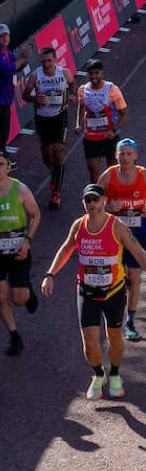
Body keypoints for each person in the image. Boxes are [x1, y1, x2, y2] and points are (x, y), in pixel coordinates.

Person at [41, 182, 146, 399]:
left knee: (113, 337)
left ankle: (114, 373)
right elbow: (66, 249)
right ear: (83, 203)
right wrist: (50, 274)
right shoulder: (78, 226)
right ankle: (98, 374)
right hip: (86, 292)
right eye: (88, 200)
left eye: (96, 199)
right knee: (89, 340)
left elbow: (138, 251)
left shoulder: (117, 226)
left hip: (113, 292)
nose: (92, 204)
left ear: (104, 201)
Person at [99, 139, 146, 344]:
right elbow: (92, 201)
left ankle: (131, 320)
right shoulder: (108, 175)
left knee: (134, 275)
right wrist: (108, 208)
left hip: (137, 230)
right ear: (116, 156)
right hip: (114, 233)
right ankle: (115, 307)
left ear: (135, 156)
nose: (125, 158)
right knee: (116, 274)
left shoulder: (145, 175)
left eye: (128, 154)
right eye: (121, 154)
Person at [22, 44, 76, 209]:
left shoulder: (64, 73)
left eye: (49, 61)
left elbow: (72, 85)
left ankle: (56, 194)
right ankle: (55, 174)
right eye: (43, 61)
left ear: (56, 60)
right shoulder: (35, 76)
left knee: (58, 152)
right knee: (47, 155)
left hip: (60, 117)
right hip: (43, 119)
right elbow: (25, 95)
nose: (47, 64)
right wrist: (34, 98)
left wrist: (72, 95)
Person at [0, 150, 39, 356]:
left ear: (8, 167)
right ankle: (15, 337)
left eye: (0, 164)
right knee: (0, 296)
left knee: (18, 299)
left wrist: (28, 239)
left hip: (18, 250)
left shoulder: (20, 189)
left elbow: (36, 214)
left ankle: (27, 291)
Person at [75, 59, 129, 184]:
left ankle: (111, 200)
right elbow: (81, 107)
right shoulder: (83, 90)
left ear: (102, 73)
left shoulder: (112, 90)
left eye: (97, 73)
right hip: (91, 138)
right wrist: (77, 124)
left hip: (109, 138)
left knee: (113, 173)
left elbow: (125, 113)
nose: (94, 76)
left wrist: (114, 130)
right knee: (94, 174)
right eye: (91, 73)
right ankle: (98, 201)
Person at [0, 25, 17, 152]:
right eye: (1, 36)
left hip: (6, 101)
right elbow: (8, 69)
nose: (5, 38)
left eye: (7, 35)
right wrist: (22, 59)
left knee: (4, 132)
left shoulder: (7, 52)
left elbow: (18, 65)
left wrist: (23, 60)